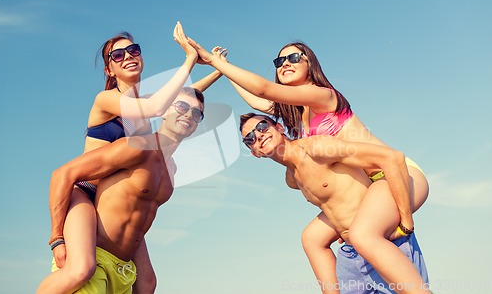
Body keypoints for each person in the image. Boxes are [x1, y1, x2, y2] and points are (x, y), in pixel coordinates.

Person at [187, 38, 430, 294]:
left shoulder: (321, 94)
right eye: (279, 62)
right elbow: (258, 102)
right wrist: (225, 68)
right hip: (370, 183)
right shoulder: (300, 112)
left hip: (395, 174)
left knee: (363, 235)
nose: (285, 64)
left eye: (293, 58)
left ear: (309, 63)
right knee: (312, 238)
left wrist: (406, 222)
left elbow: (262, 90)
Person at [36, 22, 217, 294]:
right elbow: (160, 106)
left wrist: (217, 71)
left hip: (114, 199)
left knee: (147, 283)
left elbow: (180, 102)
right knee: (81, 268)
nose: (128, 56)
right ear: (109, 69)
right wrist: (190, 59)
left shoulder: (142, 107)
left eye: (133, 50)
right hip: (85, 192)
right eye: (117, 55)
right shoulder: (107, 100)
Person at [240, 113, 430, 294]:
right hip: (351, 254)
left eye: (262, 126)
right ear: (254, 153)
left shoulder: (318, 148)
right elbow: (336, 201)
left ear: (279, 127)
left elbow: (391, 158)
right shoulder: (291, 179)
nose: (258, 135)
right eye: (250, 138)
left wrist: (406, 222)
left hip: (381, 242)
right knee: (311, 238)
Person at [40, 87, 205, 293]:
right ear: (163, 111)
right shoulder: (137, 147)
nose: (188, 114)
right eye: (181, 106)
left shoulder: (172, 168)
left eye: (197, 113)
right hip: (96, 259)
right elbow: (63, 174)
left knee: (149, 284)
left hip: (124, 271)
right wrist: (57, 239)